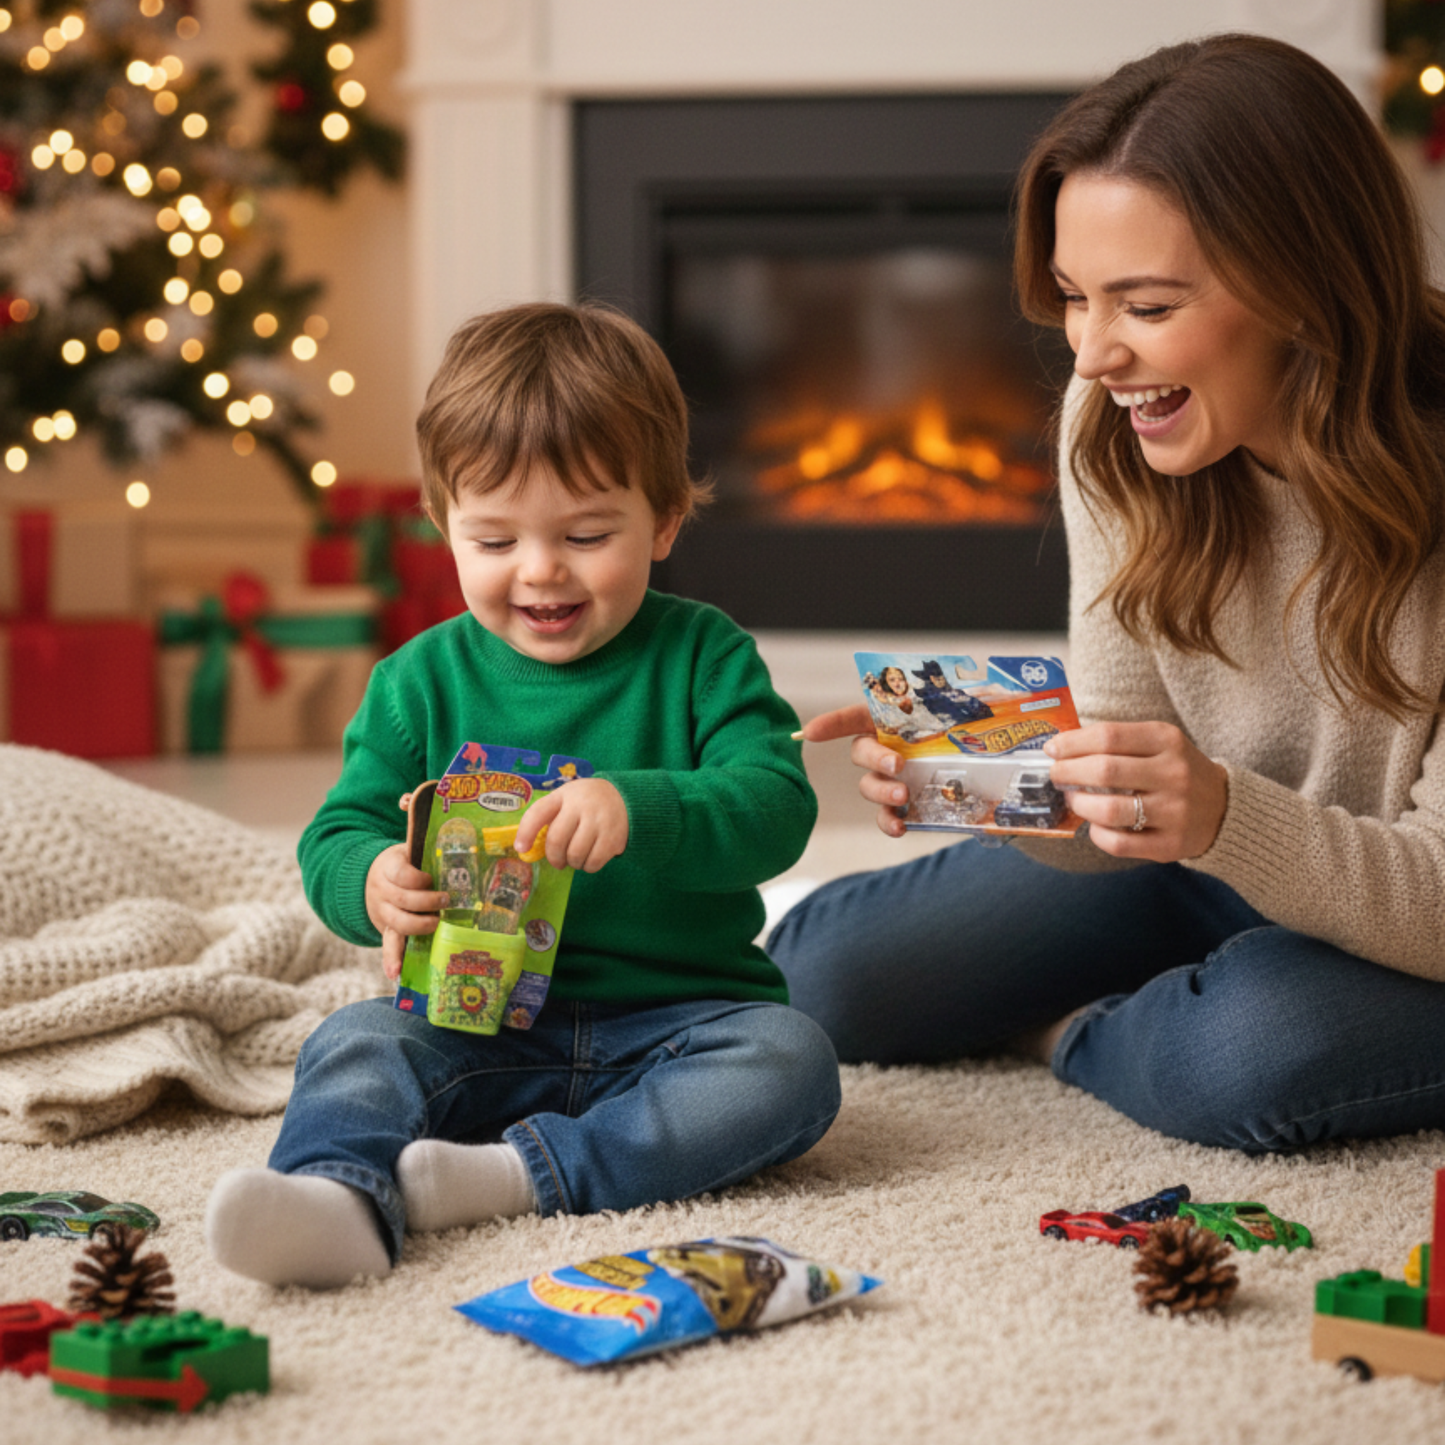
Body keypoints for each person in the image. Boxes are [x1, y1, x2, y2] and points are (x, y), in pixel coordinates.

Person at [768, 33, 1445, 1154]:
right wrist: (978, 767)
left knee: (1243, 1052)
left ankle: (1081, 1030)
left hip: (1408, 908)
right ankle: (1172, 995)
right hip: (1220, 855)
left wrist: (1220, 815)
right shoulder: (1120, 426)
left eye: (1143, 305)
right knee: (821, 976)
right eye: (1076, 297)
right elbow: (1124, 773)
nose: (1088, 356)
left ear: (1302, 283)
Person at [205, 302, 839, 1288]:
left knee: (790, 1062)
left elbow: (774, 805)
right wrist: (371, 876)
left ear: (665, 517)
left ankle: (513, 1176)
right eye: (494, 540)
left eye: (586, 533)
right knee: (354, 1040)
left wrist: (641, 806)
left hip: (675, 1022)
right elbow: (339, 828)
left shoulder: (704, 653)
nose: (540, 569)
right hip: (469, 1020)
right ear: (442, 525)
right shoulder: (416, 681)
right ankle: (335, 1195)